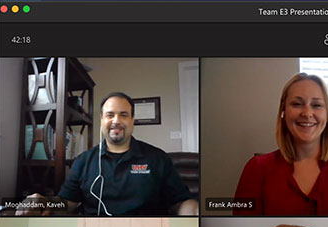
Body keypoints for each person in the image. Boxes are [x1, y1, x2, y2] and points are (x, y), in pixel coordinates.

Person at [16, 92, 198, 215]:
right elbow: (68, 203)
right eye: (110, 115)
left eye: (124, 115)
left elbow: (182, 202)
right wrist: (44, 201)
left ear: (133, 121)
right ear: (102, 120)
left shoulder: (158, 158)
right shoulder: (83, 161)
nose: (116, 120)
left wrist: (192, 212)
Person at [233, 73, 328, 216]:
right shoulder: (256, 169)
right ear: (284, 112)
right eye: (297, 104)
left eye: (316, 105)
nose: (307, 113)